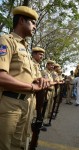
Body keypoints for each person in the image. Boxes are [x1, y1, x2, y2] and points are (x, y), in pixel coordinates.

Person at [0, 6, 49, 150]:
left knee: (19, 145)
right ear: (22, 20)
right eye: (33, 23)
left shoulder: (25, 49)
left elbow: (23, 76)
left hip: (25, 104)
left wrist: (37, 80)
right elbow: (1, 77)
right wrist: (32, 87)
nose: (35, 27)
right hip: (10, 105)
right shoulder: (6, 41)